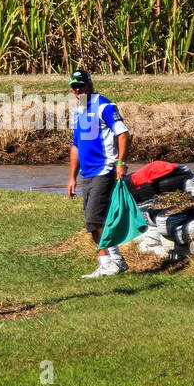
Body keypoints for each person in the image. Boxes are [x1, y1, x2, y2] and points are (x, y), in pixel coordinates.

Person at [66, 68, 132, 278]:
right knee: (91, 222)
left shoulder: (104, 105)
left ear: (89, 85)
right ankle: (106, 263)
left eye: (81, 85)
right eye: (74, 87)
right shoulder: (78, 111)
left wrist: (121, 162)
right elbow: (75, 146)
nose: (78, 90)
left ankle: (115, 261)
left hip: (105, 169)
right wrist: (71, 177)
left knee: (96, 218)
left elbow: (123, 133)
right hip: (87, 173)